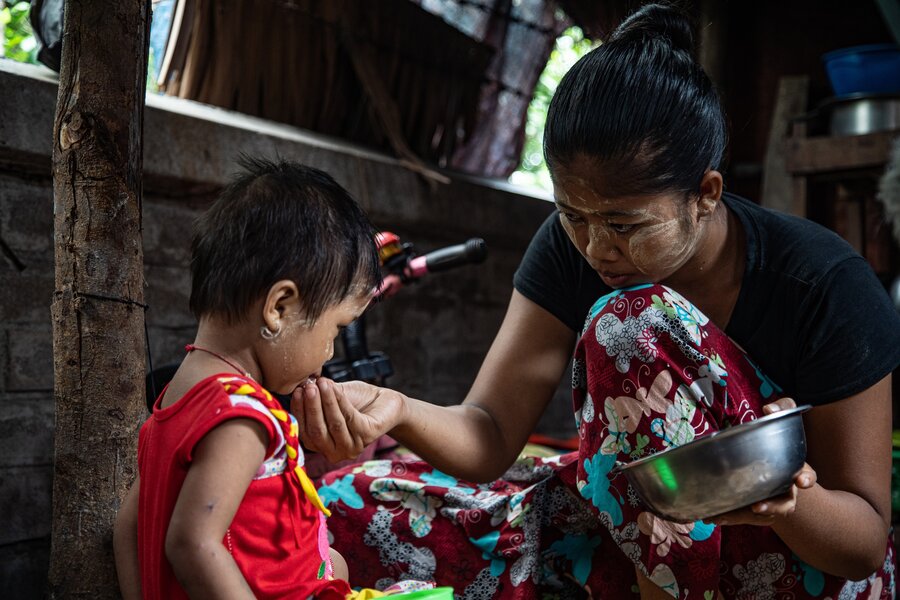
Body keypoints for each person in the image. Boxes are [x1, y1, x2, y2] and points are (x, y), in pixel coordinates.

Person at [295, 4, 900, 599]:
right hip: (632, 538)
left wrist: (790, 502)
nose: (596, 248)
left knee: (628, 323)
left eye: (625, 224)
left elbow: (864, 544)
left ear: (706, 194)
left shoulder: (824, 284)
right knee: (349, 503)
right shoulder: (570, 247)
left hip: (788, 560)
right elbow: (489, 434)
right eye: (573, 216)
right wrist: (396, 409)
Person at [112, 158, 434, 599]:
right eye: (336, 329)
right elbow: (192, 544)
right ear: (278, 307)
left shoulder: (173, 401)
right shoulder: (241, 416)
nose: (329, 353)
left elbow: (129, 526)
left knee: (336, 559)